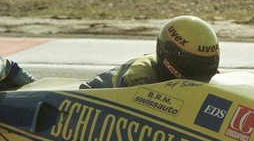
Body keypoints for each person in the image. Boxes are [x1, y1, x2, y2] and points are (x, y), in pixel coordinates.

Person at [80, 15, 220, 89]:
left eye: (207, 63)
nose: (201, 72)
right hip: (88, 99)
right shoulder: (140, 76)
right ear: (169, 54)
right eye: (194, 64)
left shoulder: (206, 73)